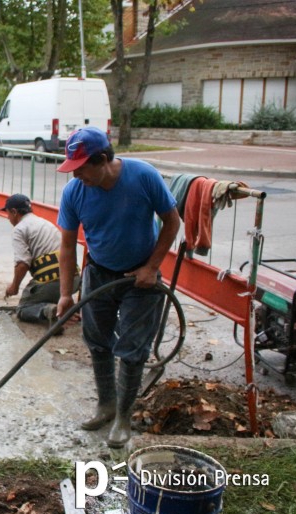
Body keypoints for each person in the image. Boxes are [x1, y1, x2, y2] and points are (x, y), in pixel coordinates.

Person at [56, 127, 180, 448]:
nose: (77, 174)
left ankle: (124, 416)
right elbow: (67, 246)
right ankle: (106, 405)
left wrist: (152, 267)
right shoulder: (74, 193)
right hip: (99, 274)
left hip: (142, 277)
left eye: (82, 167)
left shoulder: (143, 176)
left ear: (102, 159)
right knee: (97, 342)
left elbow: (172, 221)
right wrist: (65, 293)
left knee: (132, 348)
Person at [1, 193, 74, 329]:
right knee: (45, 294)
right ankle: (61, 307)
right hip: (73, 280)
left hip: (53, 281)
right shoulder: (44, 222)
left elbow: (22, 264)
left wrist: (14, 286)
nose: (8, 218)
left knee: (23, 308)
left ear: (14, 212)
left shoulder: (19, 229)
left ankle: (49, 311)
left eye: (8, 214)